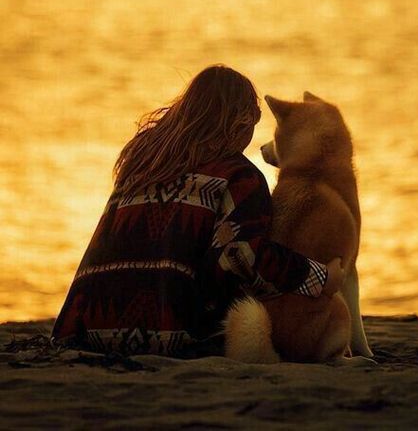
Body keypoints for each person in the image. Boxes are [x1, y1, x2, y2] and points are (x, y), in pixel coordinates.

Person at [51, 65, 344, 357]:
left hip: (84, 330)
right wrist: (320, 278)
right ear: (240, 122)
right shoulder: (239, 176)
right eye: (254, 120)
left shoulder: (141, 159)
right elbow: (244, 258)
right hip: (168, 334)